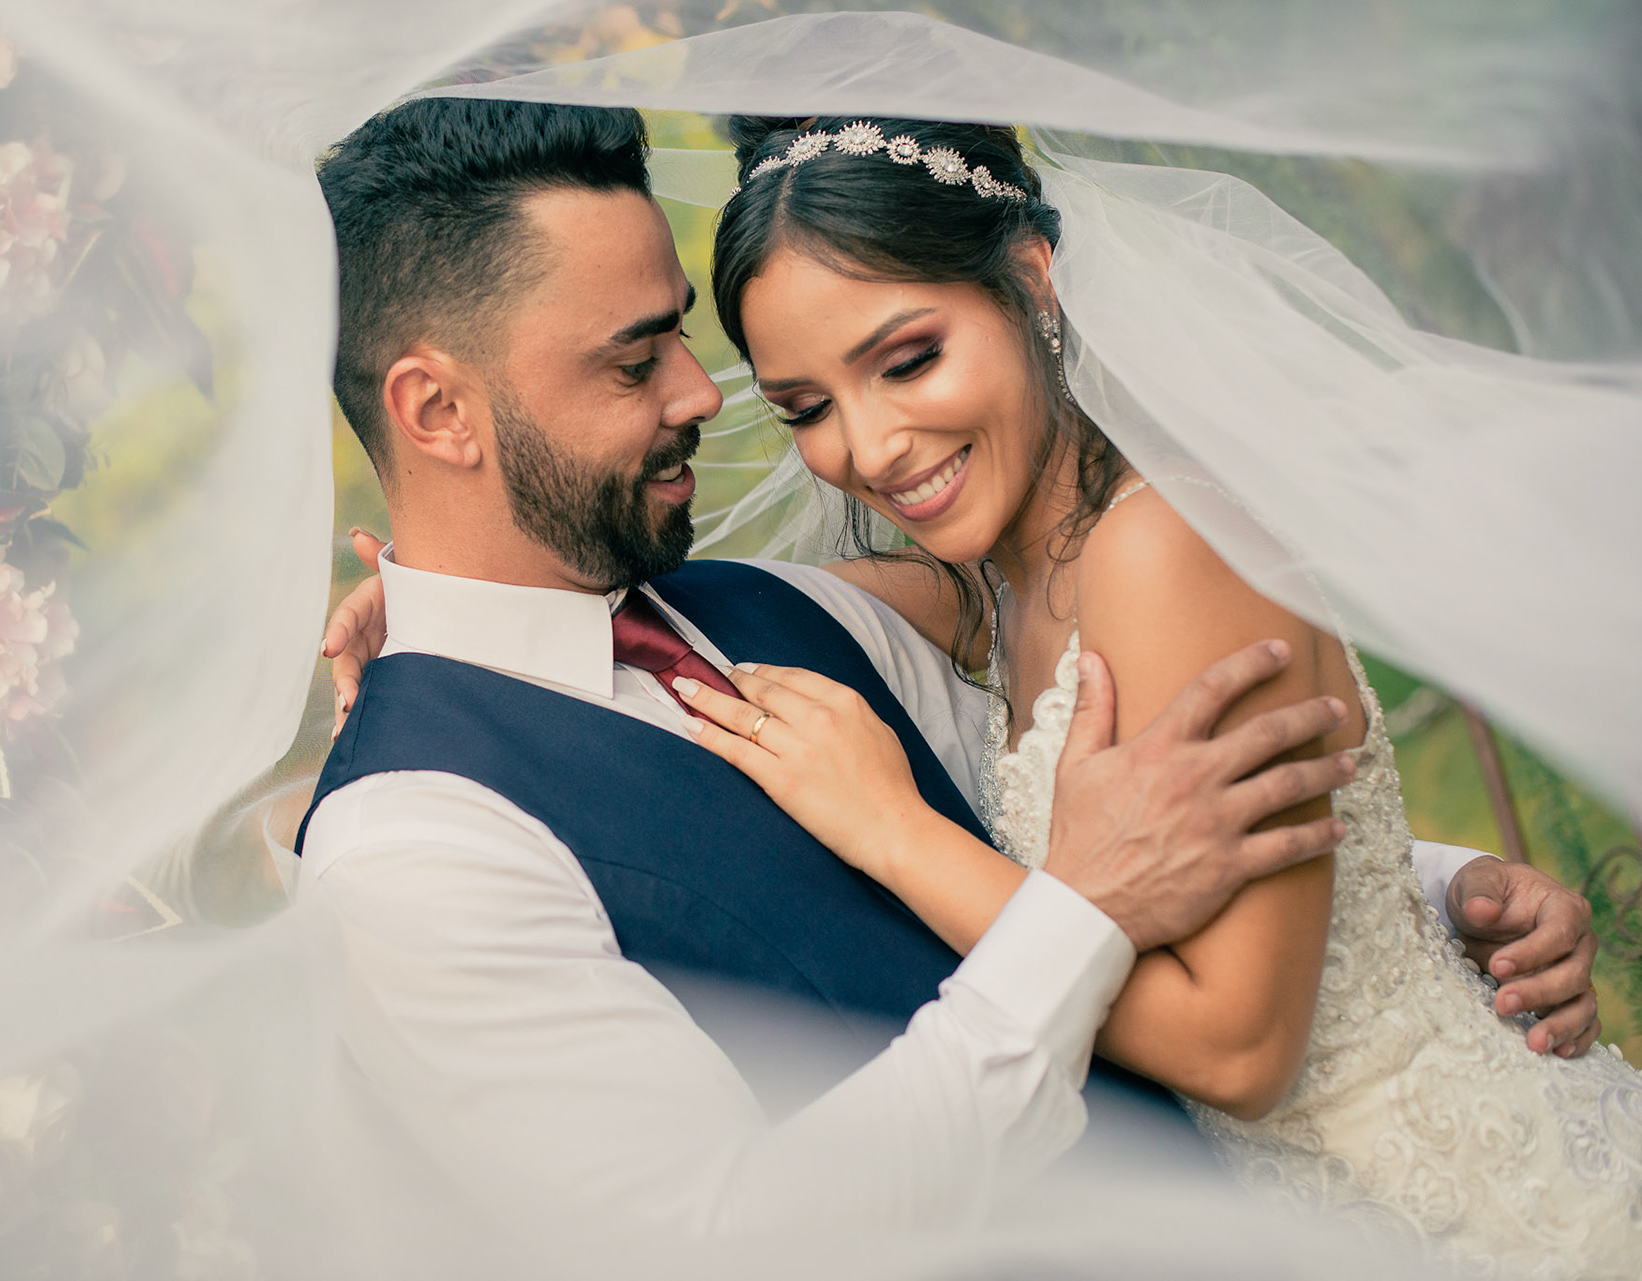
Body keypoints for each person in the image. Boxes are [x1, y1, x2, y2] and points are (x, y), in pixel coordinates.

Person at [301, 96, 1606, 1236]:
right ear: (438, 412)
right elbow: (733, 1238)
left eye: (684, 341)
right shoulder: (412, 845)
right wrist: (1081, 912)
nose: (701, 394)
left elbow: (1114, 797)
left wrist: (1423, 890)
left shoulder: (796, 611)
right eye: (636, 360)